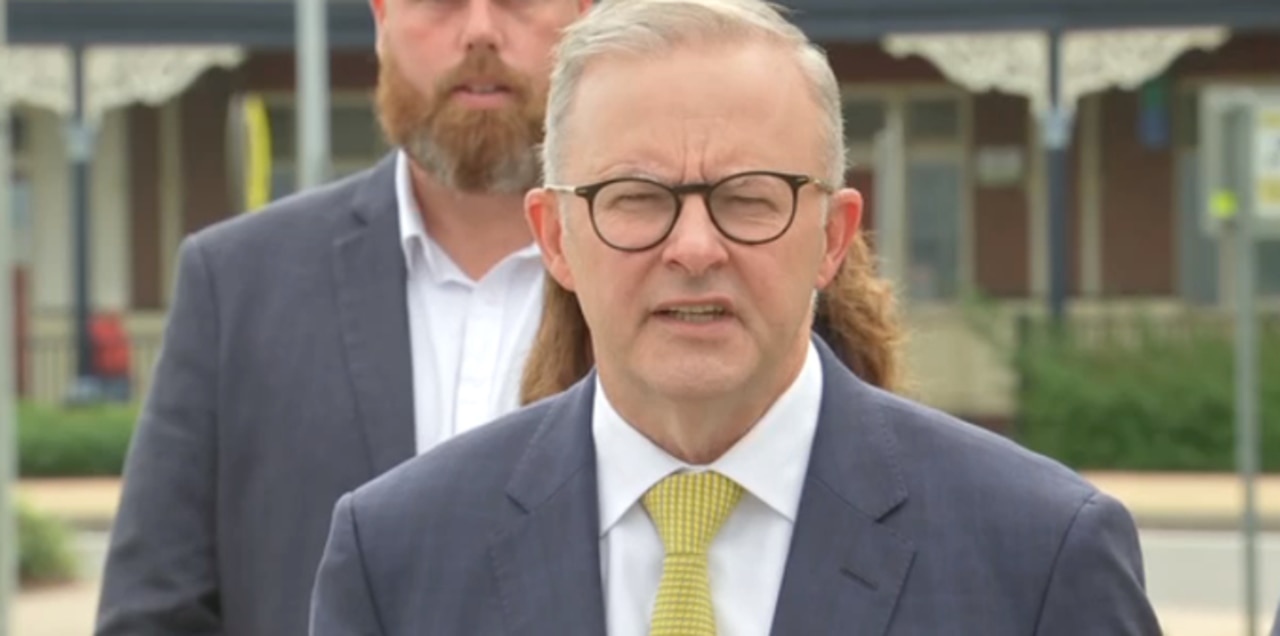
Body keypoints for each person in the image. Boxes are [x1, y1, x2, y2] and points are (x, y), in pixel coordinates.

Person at [309, 0, 1164, 633]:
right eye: (635, 199)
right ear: (556, 239)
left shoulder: (1040, 557)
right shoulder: (397, 557)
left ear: (833, 237)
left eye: (748, 199)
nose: (693, 247)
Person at [94, 0, 591, 634]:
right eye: (442, 3)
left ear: (582, 14)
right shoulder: (237, 285)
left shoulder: (653, 278)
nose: (480, 32)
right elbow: (152, 613)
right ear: (381, 18)